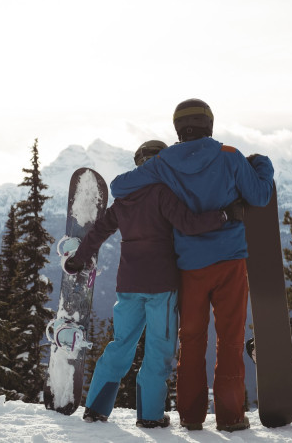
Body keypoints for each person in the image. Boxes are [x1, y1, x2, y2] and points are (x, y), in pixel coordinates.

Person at [109, 99, 274, 432]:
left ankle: (190, 415)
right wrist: (263, 165)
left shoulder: (165, 161)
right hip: (229, 261)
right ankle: (230, 416)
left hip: (189, 266)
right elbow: (259, 196)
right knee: (230, 337)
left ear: (177, 127)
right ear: (209, 124)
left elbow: (118, 186)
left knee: (192, 338)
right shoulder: (230, 155)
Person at [63, 140, 244, 429]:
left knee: (121, 344)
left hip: (129, 284)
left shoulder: (124, 199)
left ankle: (96, 407)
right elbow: (189, 223)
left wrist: (77, 260)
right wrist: (224, 216)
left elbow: (98, 232)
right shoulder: (163, 193)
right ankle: (149, 415)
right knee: (158, 350)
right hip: (161, 286)